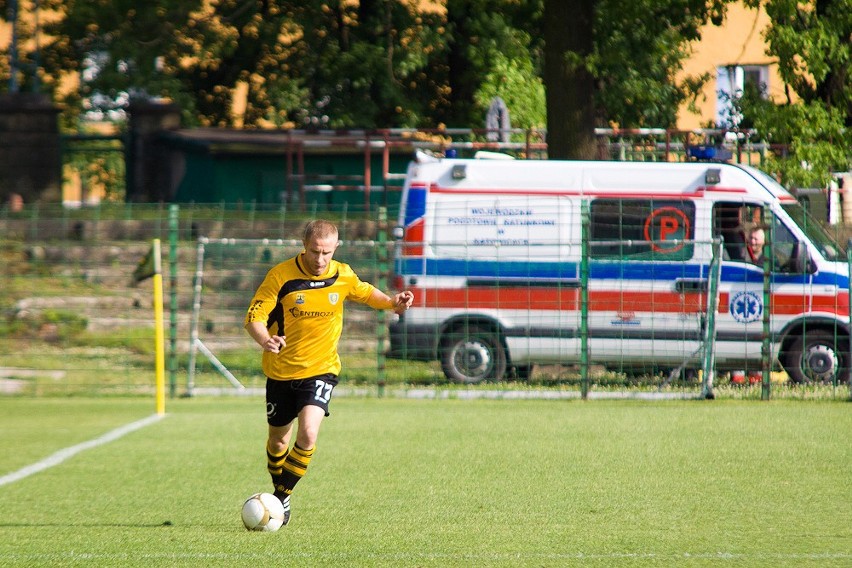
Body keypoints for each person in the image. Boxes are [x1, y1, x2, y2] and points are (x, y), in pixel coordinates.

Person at [244, 219, 414, 526]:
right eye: (314, 252)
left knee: (308, 433)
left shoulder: (343, 274)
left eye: (326, 252)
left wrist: (392, 303)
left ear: (335, 248)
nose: (320, 259)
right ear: (304, 246)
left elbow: (365, 292)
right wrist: (265, 339)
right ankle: (279, 491)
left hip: (322, 369)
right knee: (278, 442)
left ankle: (281, 497)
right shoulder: (280, 276)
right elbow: (255, 315)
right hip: (281, 372)